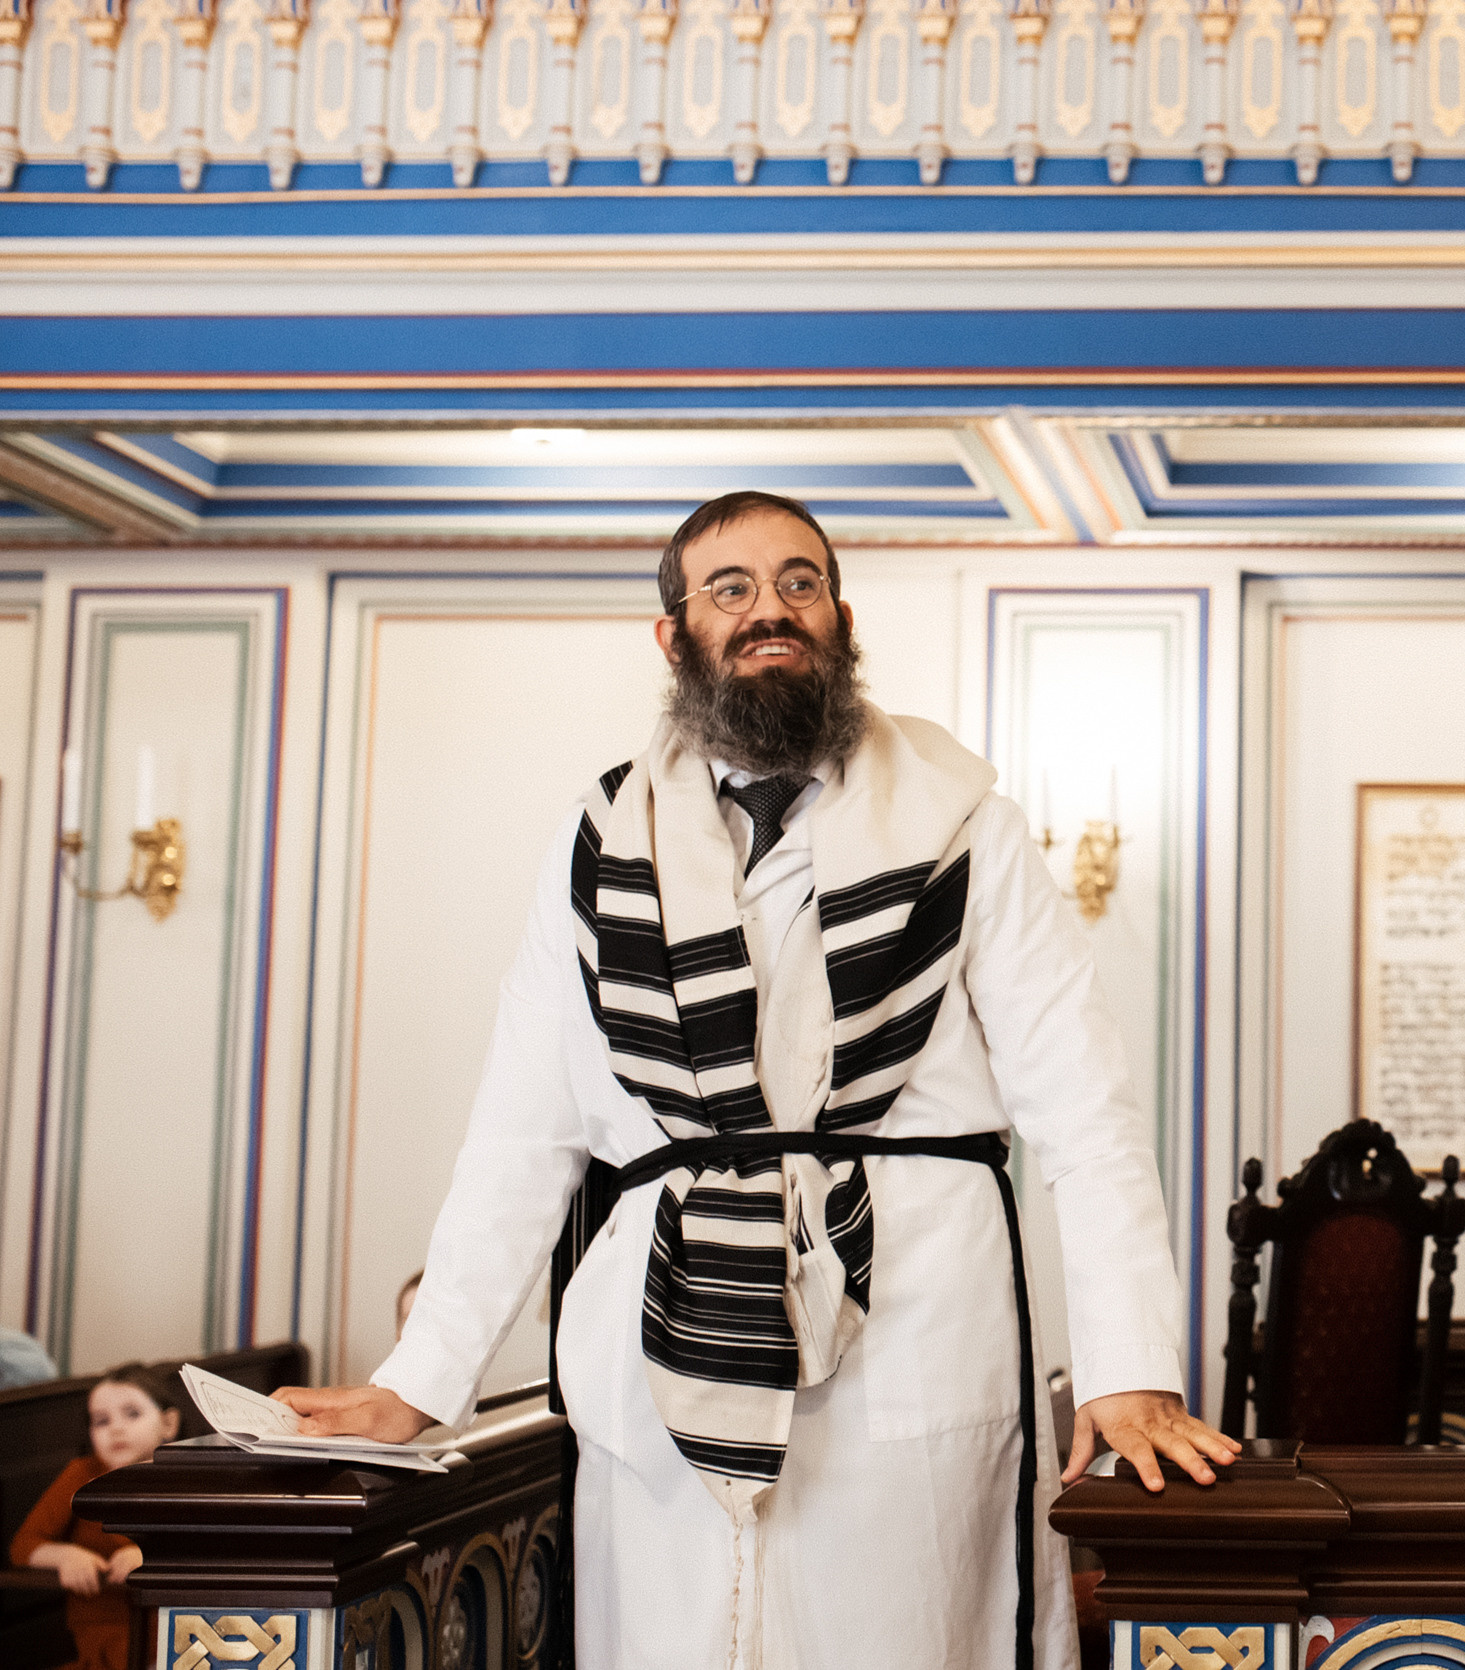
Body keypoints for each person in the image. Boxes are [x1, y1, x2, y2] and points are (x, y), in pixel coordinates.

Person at [273, 491, 1236, 1670]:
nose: (769, 608)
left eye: (800, 581)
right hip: (661, 1339)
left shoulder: (968, 827)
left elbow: (1087, 1115)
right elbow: (524, 1134)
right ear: (674, 634)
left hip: (917, 1326)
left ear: (840, 615)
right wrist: (416, 1385)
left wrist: (1131, 1367)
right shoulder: (595, 843)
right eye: (729, 588)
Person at [10, 1362, 183, 1670]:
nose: (116, 1428)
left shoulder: (187, 1477)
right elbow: (23, 1545)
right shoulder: (81, 1475)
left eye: (132, 1414)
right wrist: (64, 1556)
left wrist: (150, 1557)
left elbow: (205, 1547)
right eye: (101, 1421)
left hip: (174, 1624)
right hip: (105, 1628)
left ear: (169, 1424)